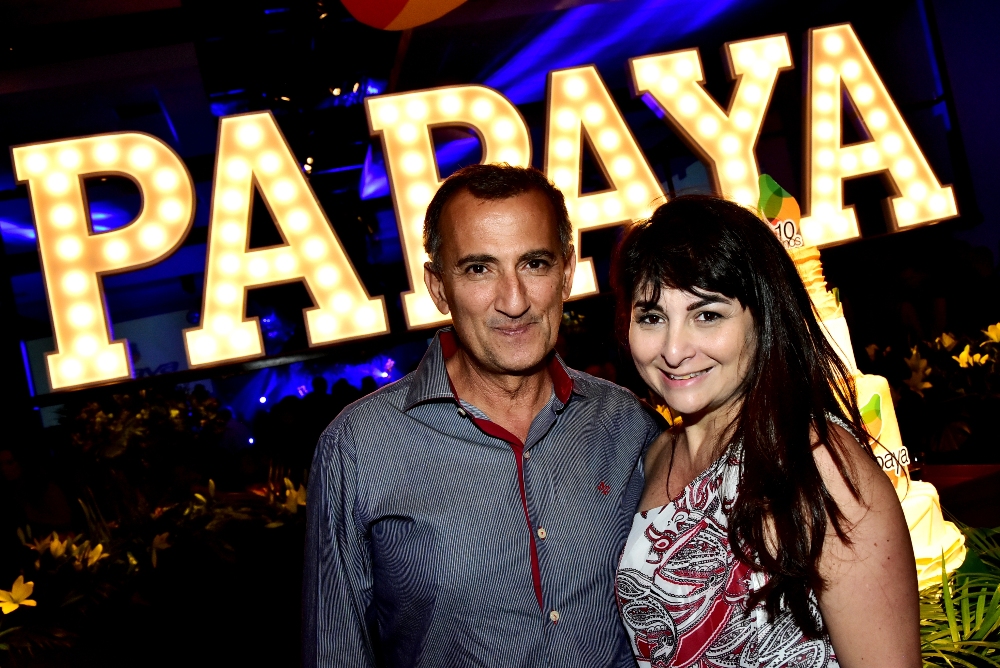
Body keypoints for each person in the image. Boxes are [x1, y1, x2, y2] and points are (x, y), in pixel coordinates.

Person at [303, 164, 661, 668]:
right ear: (438, 287)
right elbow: (334, 651)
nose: (514, 301)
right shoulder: (358, 447)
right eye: (478, 269)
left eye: (534, 263)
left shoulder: (629, 425)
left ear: (566, 273)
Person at [612, 195, 920, 667]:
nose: (673, 350)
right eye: (652, 318)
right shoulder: (651, 457)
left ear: (764, 318)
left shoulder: (815, 462)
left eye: (707, 315)